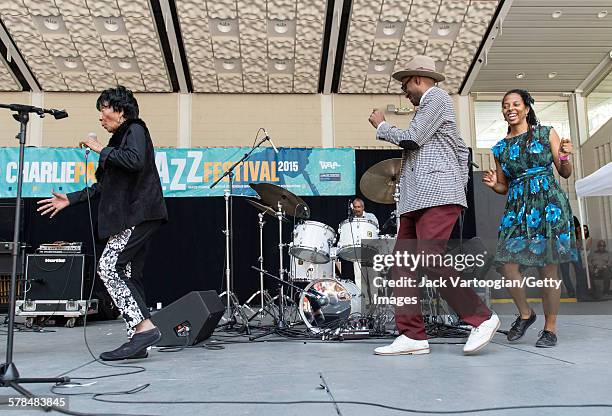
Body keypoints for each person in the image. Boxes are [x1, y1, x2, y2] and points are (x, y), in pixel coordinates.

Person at [368, 55, 498, 356]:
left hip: (438, 195)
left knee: (428, 257)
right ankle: (412, 335)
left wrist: (383, 126)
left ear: (417, 79)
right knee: (402, 265)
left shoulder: (436, 97)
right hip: (415, 200)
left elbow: (413, 139)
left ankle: (482, 317)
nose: (404, 92)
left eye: (404, 85)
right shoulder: (426, 108)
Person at [37, 86, 168, 361]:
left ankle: (144, 328)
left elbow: (134, 161)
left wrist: (99, 147)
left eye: (104, 109)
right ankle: (139, 339)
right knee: (128, 274)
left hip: (138, 212)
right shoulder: (118, 142)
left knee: (109, 267)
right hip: (133, 215)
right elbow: (102, 187)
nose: (100, 117)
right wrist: (70, 200)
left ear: (120, 110)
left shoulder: (135, 129)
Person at [483, 89, 575, 348]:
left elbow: (565, 172)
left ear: (526, 108)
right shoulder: (500, 147)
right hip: (517, 208)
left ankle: (550, 328)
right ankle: (526, 314)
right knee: (507, 265)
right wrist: (494, 185)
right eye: (505, 105)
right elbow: (504, 185)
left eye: (515, 104)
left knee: (548, 270)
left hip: (548, 206)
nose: (509, 108)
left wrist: (566, 154)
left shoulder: (546, 133)